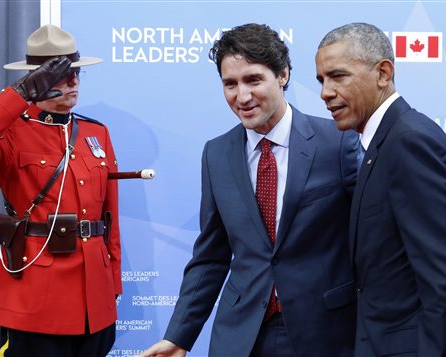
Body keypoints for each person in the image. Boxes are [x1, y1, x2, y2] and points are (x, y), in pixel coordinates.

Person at [141, 23, 359, 357]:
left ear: (282, 75)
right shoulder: (216, 154)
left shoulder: (338, 143)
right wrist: (179, 337)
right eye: (230, 84)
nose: (242, 96)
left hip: (324, 333)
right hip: (240, 336)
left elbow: (376, 232)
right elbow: (210, 257)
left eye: (253, 80)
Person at [315, 23, 446, 356]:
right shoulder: (383, 143)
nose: (325, 92)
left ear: (383, 73)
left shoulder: (408, 143)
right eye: (321, 80)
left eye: (338, 76)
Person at [0, 24, 121, 356]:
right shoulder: (12, 133)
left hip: (95, 299)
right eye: (60, 75)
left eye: (76, 72)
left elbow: (108, 216)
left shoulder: (95, 133)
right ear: (36, 80)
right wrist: (21, 93)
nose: (73, 82)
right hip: (37, 300)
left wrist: (112, 281)